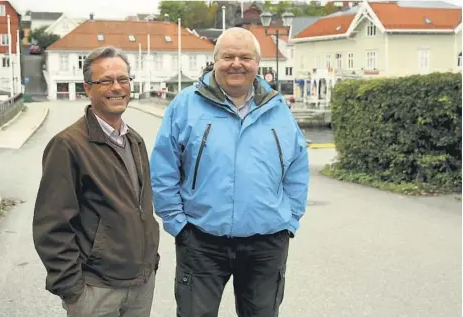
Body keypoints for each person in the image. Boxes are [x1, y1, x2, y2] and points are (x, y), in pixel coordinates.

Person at [150, 27, 309, 317]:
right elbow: (163, 169)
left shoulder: (277, 108)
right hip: (201, 240)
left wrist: (291, 218)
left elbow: (297, 165)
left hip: (267, 242)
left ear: (257, 64)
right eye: (228, 56)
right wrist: (177, 223)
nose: (236, 63)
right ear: (215, 60)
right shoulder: (185, 105)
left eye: (245, 57)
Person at [32, 46, 160, 317]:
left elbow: (141, 209)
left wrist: (151, 261)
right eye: (106, 81)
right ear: (87, 88)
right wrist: (73, 290)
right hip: (96, 290)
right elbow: (51, 225)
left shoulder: (134, 140)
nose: (117, 87)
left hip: (140, 285)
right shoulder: (67, 146)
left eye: (123, 79)